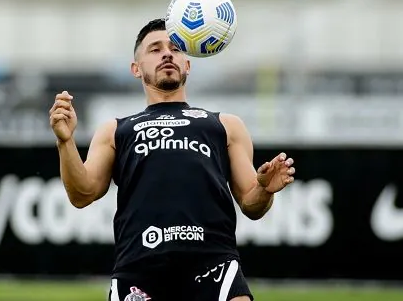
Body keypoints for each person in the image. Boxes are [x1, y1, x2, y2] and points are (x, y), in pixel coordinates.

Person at [49, 18, 296, 301]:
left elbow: (251, 205)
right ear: (136, 69)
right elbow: (82, 194)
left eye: (176, 48)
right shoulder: (116, 130)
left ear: (188, 64)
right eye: (154, 49)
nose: (167, 53)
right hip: (140, 269)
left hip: (213, 263)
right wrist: (65, 142)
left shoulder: (225, 125)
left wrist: (264, 188)